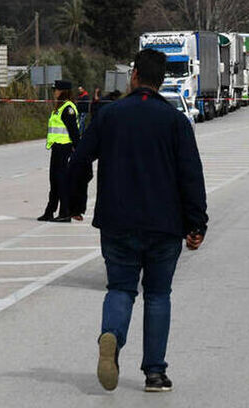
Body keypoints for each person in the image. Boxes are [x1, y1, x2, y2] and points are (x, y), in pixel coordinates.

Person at [68, 49, 208, 392]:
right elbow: (191, 175)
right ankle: (155, 374)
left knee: (120, 289)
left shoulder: (110, 115)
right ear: (160, 82)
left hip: (117, 221)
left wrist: (76, 202)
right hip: (164, 225)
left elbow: (79, 160)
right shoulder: (175, 121)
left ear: (134, 76)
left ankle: (112, 336)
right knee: (158, 295)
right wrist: (196, 224)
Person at [37, 80, 80, 223]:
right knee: (54, 181)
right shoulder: (59, 107)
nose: (54, 92)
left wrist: (77, 150)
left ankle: (65, 212)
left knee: (61, 181)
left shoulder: (68, 109)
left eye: (56, 90)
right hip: (57, 147)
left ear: (63, 91)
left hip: (64, 148)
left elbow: (74, 132)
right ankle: (50, 211)